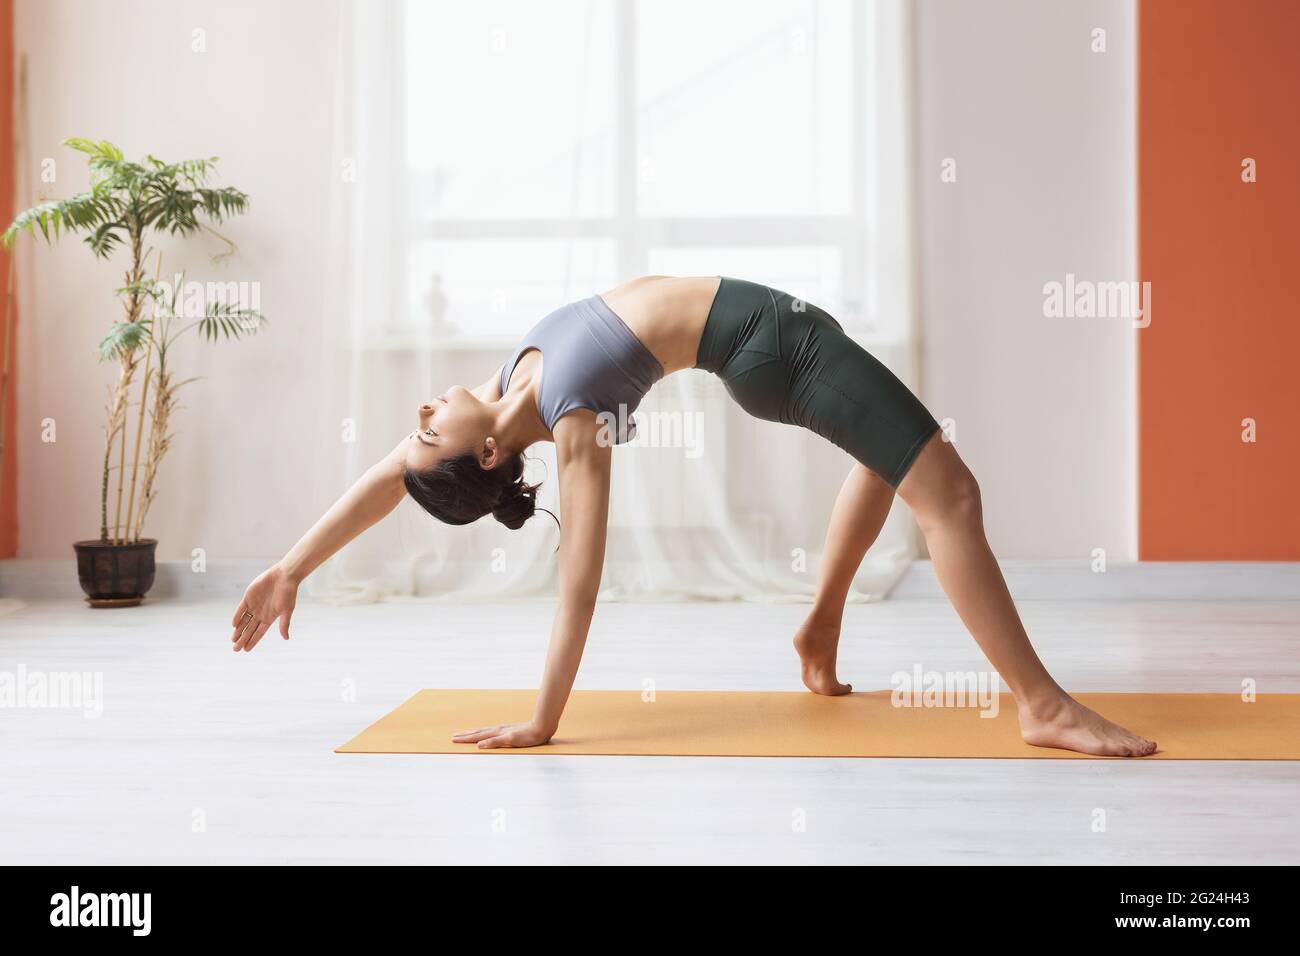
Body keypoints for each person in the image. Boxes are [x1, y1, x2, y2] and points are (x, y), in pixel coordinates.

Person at [229, 275, 1157, 757]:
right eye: (427, 433)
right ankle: (1043, 705)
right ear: (483, 458)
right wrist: (543, 720)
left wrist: (292, 567)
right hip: (773, 351)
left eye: (417, 425)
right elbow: (579, 588)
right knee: (952, 496)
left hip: (784, 335)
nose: (420, 417)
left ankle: (820, 629)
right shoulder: (574, 421)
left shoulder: (505, 385)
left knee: (893, 461)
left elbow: (390, 478)